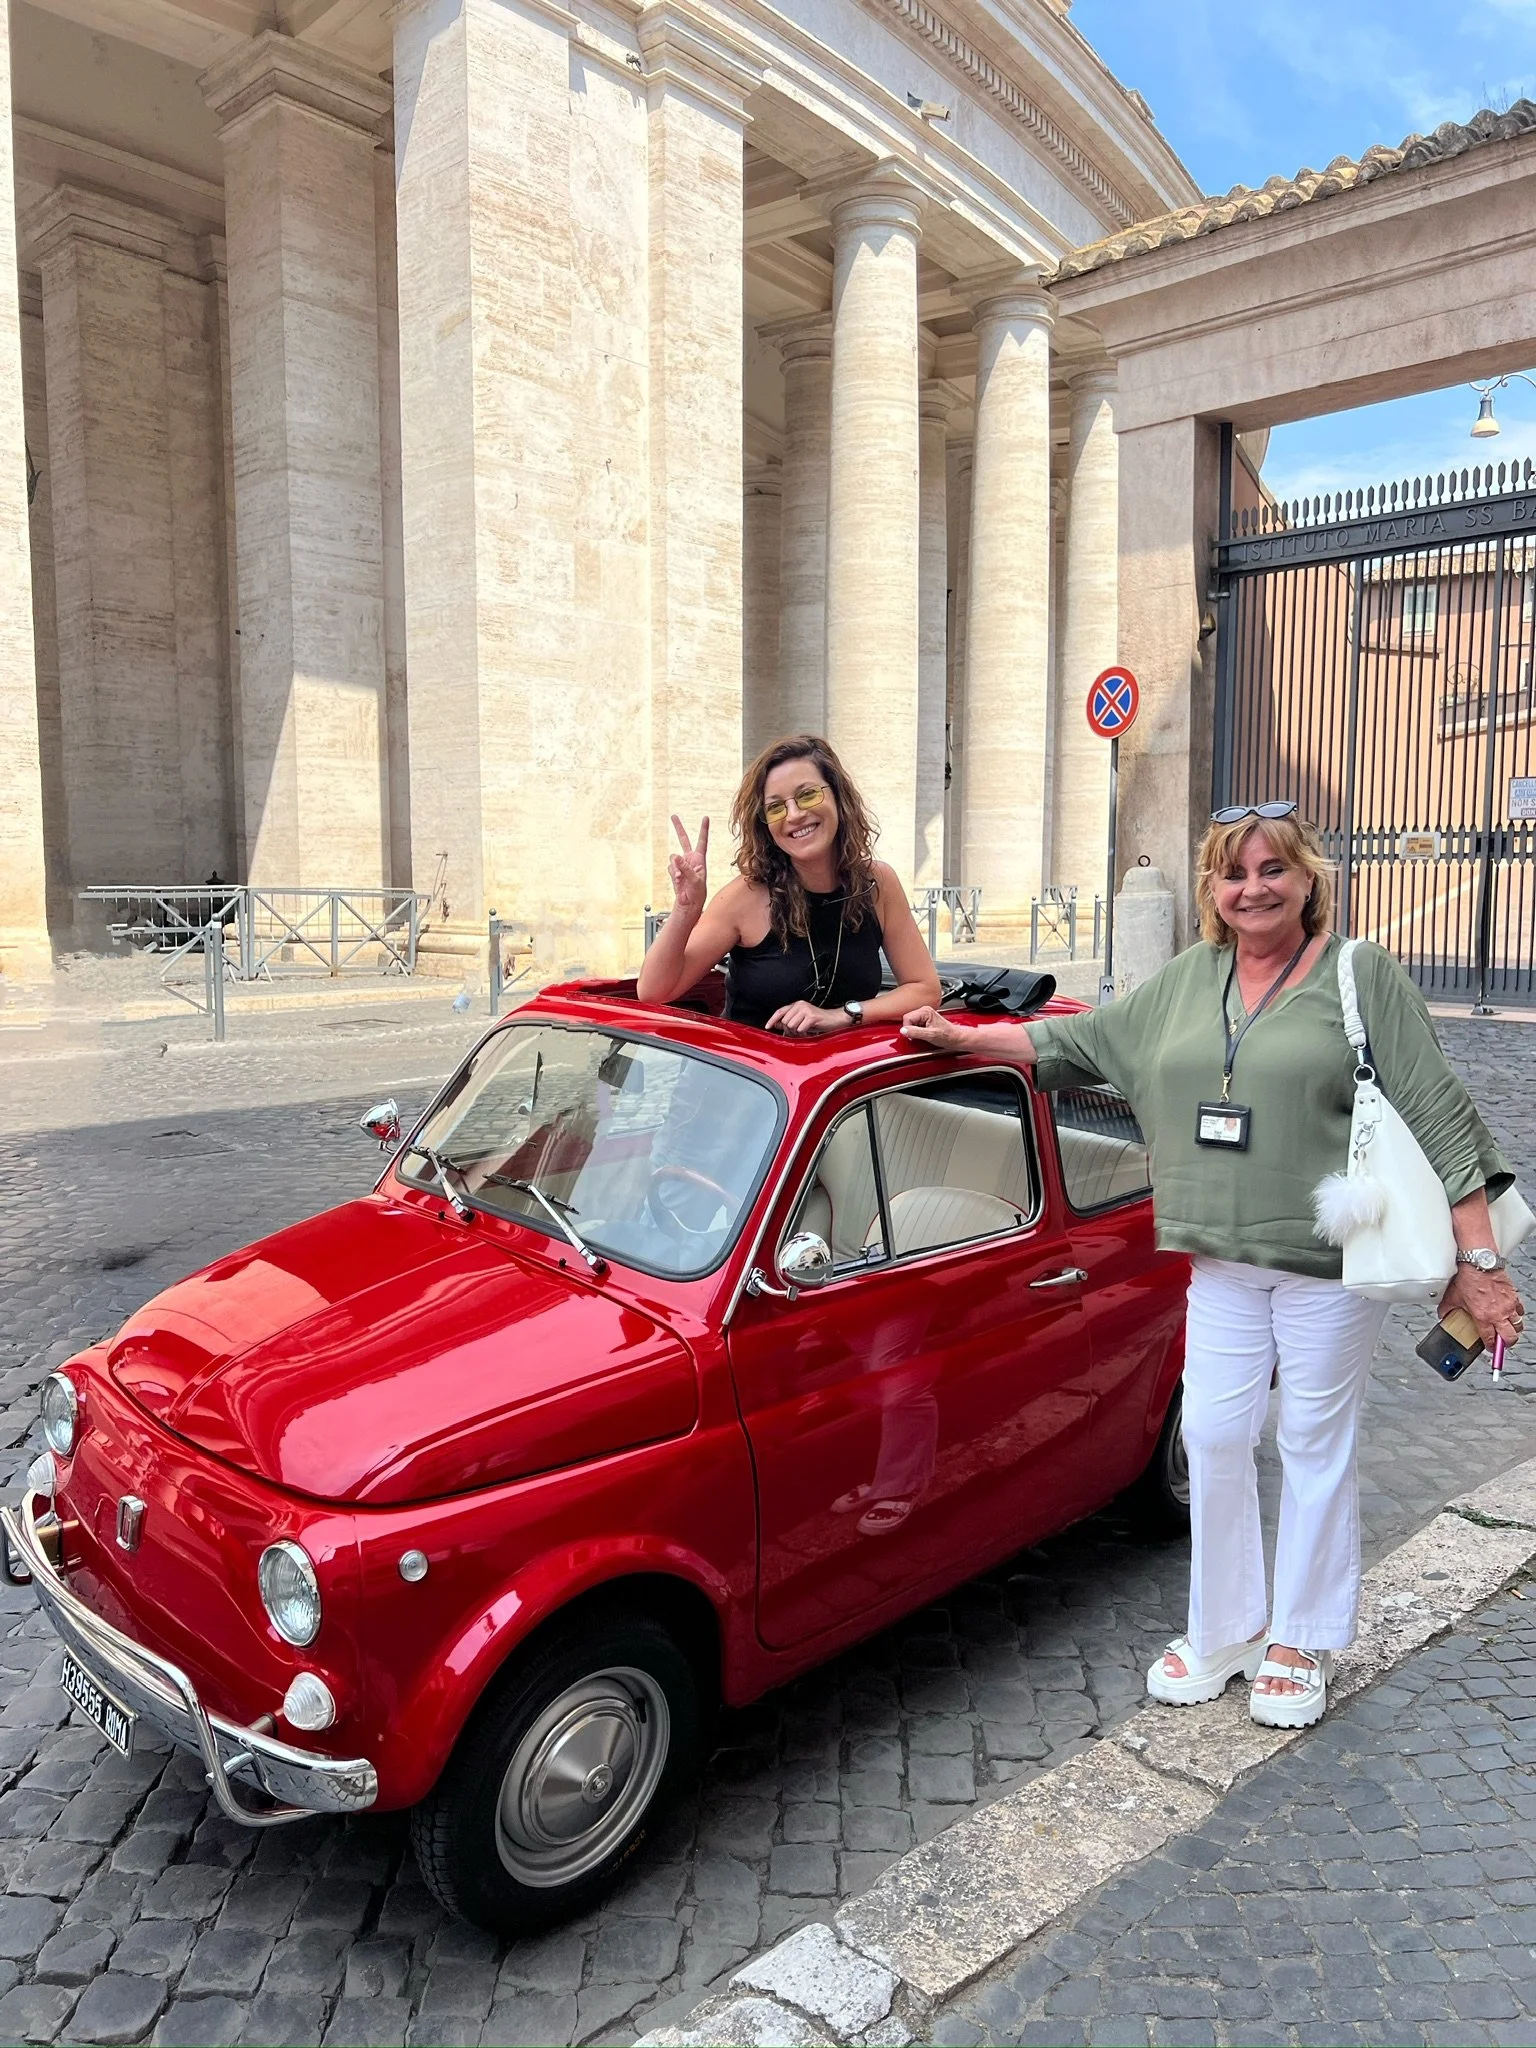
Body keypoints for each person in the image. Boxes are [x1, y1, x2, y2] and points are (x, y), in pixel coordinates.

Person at [902, 803, 1522, 1729]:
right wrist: (962, 1039)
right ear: (1212, 890)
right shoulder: (1192, 979)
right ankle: (1227, 1626)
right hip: (1220, 1262)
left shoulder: (1359, 975)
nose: (1254, 888)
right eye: (1236, 874)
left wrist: (1479, 1263)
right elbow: (1078, 1042)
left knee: (1314, 1442)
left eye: (1274, 870)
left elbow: (1436, 1110)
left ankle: (1298, 1638)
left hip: (1326, 1261)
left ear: (1308, 878)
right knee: (1218, 1438)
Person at [637, 734, 940, 1033]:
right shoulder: (745, 896)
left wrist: (844, 1014)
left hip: (839, 1076)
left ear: (837, 796)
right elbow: (654, 992)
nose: (794, 815)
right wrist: (686, 910)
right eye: (776, 807)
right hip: (755, 1077)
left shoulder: (878, 883)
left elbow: (925, 989)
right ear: (765, 825)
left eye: (808, 795)